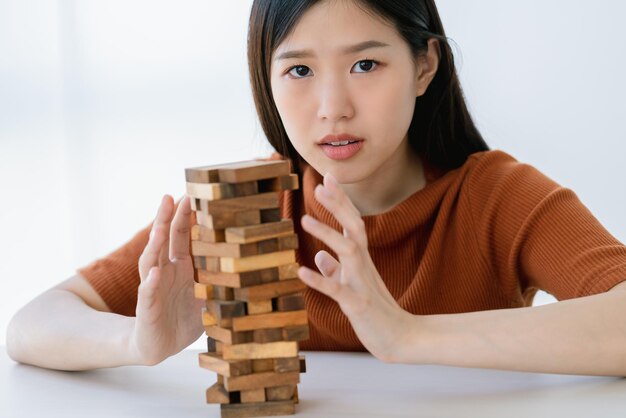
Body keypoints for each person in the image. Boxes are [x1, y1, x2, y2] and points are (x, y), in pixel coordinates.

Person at [7, 0, 626, 375]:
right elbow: (32, 324)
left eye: (365, 64)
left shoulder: (497, 197)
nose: (333, 108)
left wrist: (404, 334)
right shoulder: (244, 209)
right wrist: (137, 343)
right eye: (299, 69)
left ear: (425, 66)